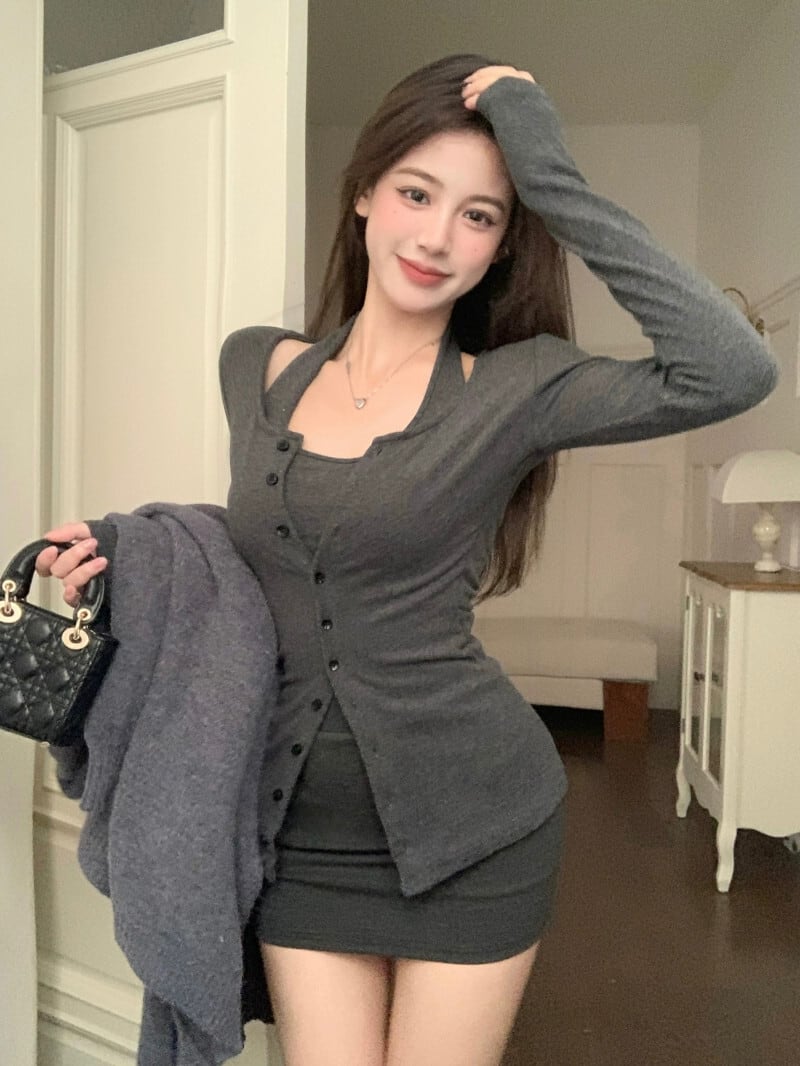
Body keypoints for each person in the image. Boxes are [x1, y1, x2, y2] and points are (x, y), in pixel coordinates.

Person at [36, 54, 777, 1066]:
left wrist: (547, 170)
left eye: (479, 215)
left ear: (504, 241)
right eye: (416, 194)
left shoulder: (516, 388)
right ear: (363, 195)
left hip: (475, 827)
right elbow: (273, 545)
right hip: (299, 836)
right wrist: (133, 550)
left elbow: (731, 370)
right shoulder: (255, 365)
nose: (435, 237)